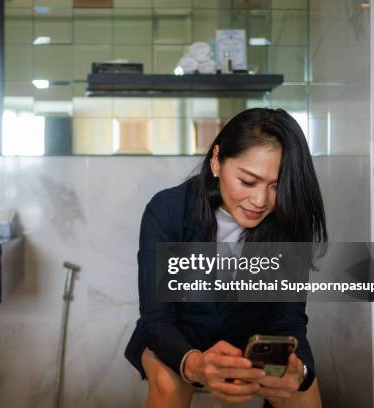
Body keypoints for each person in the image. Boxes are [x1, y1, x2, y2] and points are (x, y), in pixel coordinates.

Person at [125, 108, 326, 408]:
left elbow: (289, 322)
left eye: (276, 186)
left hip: (250, 339)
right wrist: (194, 363)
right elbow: (157, 320)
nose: (260, 202)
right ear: (216, 160)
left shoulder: (288, 220)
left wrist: (300, 371)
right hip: (177, 338)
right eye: (247, 181)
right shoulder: (167, 210)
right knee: (168, 384)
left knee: (300, 392)